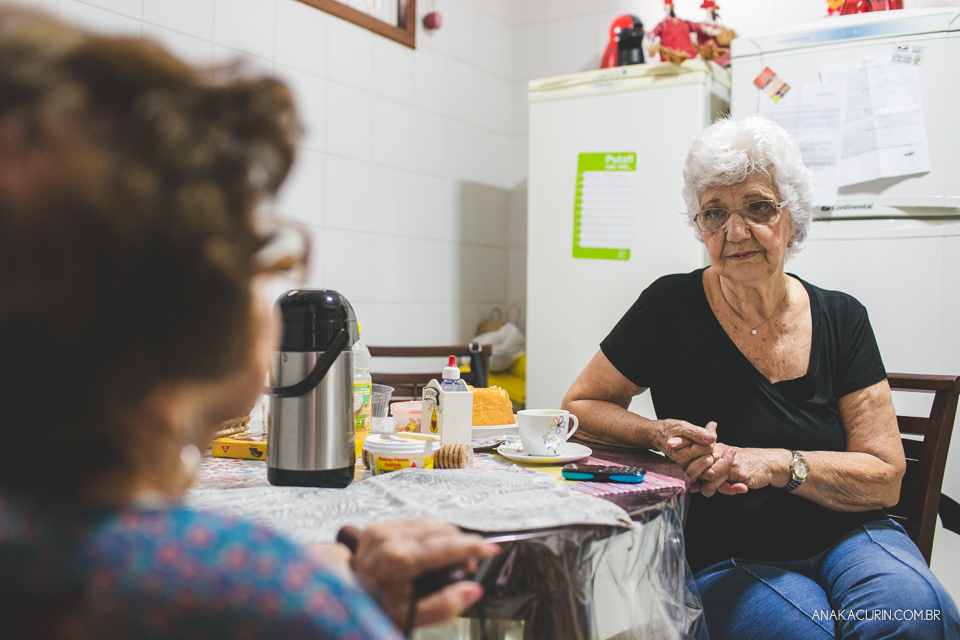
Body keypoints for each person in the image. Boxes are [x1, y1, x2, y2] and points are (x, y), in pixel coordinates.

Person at [0, 6, 496, 638]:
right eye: (258, 253)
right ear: (180, 316)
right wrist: (328, 598)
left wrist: (341, 576)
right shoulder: (264, 594)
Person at [562, 115, 960, 639]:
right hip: (731, 549)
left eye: (757, 207)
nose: (735, 231)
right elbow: (580, 406)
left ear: (791, 219)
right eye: (714, 213)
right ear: (700, 227)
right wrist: (656, 435)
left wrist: (777, 464)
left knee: (915, 617)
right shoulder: (669, 306)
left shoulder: (842, 317)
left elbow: (885, 477)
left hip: (852, 534)